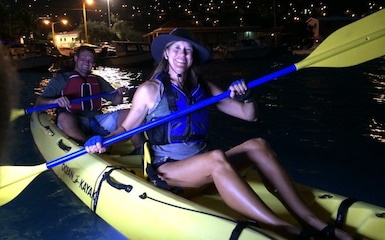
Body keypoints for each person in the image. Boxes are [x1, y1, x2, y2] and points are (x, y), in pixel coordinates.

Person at [84, 29, 352, 239]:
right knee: (215, 158)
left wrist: (247, 95)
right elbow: (127, 127)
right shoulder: (149, 90)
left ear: (193, 57)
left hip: (205, 169)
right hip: (170, 174)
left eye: (188, 51)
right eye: (176, 49)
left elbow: (250, 116)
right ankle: (282, 228)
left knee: (258, 144)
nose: (182, 55)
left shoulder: (204, 88)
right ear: (166, 54)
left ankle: (312, 221)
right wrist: (102, 141)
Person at [35, 45, 141, 146]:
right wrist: (55, 102)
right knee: (63, 117)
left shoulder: (98, 80)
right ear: (76, 58)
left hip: (97, 119)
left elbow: (116, 102)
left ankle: (139, 148)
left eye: (90, 60)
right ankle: (91, 145)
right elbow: (39, 101)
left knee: (130, 113)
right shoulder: (61, 79)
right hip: (75, 121)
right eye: (83, 58)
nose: (87, 62)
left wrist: (119, 93)